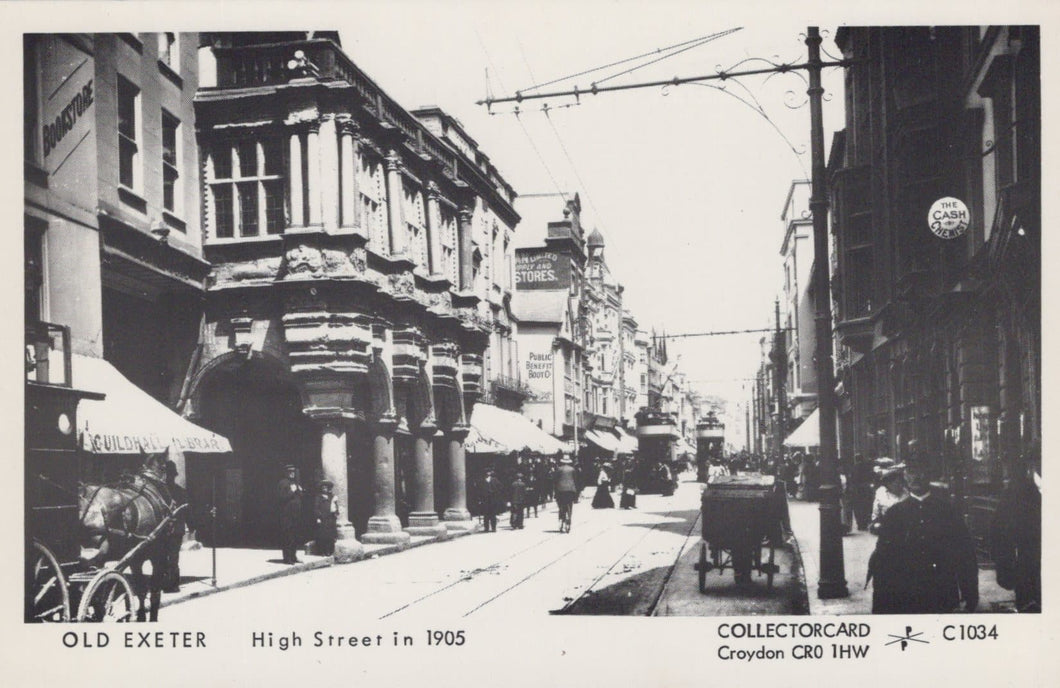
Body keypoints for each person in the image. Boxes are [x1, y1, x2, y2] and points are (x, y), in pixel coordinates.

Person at [867, 455, 978, 614]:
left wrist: (970, 593)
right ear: (905, 476)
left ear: (929, 475)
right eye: (911, 472)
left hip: (942, 591)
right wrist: (881, 602)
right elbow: (883, 559)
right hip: (907, 593)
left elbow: (965, 554)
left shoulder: (947, 511)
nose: (916, 477)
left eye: (921, 471)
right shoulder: (895, 514)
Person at [990, 445, 1041, 612]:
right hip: (1029, 577)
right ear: (1032, 463)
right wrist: (1005, 569)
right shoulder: (1015, 492)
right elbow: (1000, 533)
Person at [161, 460, 188, 592]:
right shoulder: (160, 491)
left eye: (170, 474)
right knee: (165, 557)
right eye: (167, 474)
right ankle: (167, 582)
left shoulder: (179, 492)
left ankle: (173, 584)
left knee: (172, 557)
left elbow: (185, 510)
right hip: (164, 529)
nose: (168, 477)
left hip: (176, 529)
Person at [277, 464, 304, 564]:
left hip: (296, 514)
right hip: (287, 514)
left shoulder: (296, 483)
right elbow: (281, 498)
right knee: (287, 536)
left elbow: (300, 497)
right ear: (286, 473)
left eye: (293, 472)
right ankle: (287, 558)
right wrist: (291, 491)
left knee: (295, 536)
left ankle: (293, 556)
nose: (292, 474)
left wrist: (300, 490)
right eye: (289, 472)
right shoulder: (282, 483)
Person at [869, 464, 907, 534]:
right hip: (888, 526)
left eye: (901, 483)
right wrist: (876, 524)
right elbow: (876, 514)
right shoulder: (881, 494)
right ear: (888, 484)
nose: (900, 485)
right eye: (897, 483)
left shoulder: (906, 493)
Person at [850, 454, 875, 531]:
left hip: (857, 490)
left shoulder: (853, 467)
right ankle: (865, 522)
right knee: (866, 505)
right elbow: (872, 476)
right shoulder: (867, 467)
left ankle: (860, 524)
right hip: (866, 488)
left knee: (858, 507)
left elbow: (852, 479)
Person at [313, 480, 338, 556]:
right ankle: (322, 551)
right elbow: (316, 508)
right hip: (323, 518)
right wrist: (318, 517)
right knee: (323, 535)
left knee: (330, 536)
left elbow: (335, 506)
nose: (324, 489)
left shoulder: (332, 497)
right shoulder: (319, 497)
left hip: (330, 518)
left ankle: (329, 551)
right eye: (323, 488)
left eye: (326, 488)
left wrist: (336, 512)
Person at [554, 456, 578, 533]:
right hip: (570, 490)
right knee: (570, 506)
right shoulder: (572, 469)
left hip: (560, 490)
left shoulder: (559, 469)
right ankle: (569, 521)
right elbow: (575, 480)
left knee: (561, 505)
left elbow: (555, 480)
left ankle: (561, 519)